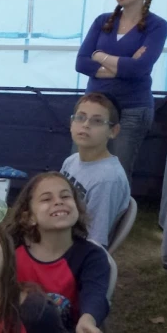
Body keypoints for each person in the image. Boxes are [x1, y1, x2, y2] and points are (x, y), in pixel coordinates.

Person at [75, 0, 167, 184]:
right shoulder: (103, 21)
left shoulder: (157, 25)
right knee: (80, 167)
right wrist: (123, 65)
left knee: (117, 173)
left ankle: (115, 209)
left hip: (132, 109)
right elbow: (81, 63)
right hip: (94, 108)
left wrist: (99, 55)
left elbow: (139, 68)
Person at [5, 172, 112, 333]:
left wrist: (88, 318)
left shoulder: (91, 256)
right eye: (46, 199)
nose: (58, 202)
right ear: (29, 217)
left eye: (65, 196)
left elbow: (96, 294)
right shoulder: (12, 251)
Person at [61, 93, 130, 247]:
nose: (86, 125)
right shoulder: (71, 161)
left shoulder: (107, 180)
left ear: (113, 131)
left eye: (97, 121)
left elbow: (95, 242)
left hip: (75, 249)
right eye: (80, 117)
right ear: (71, 123)